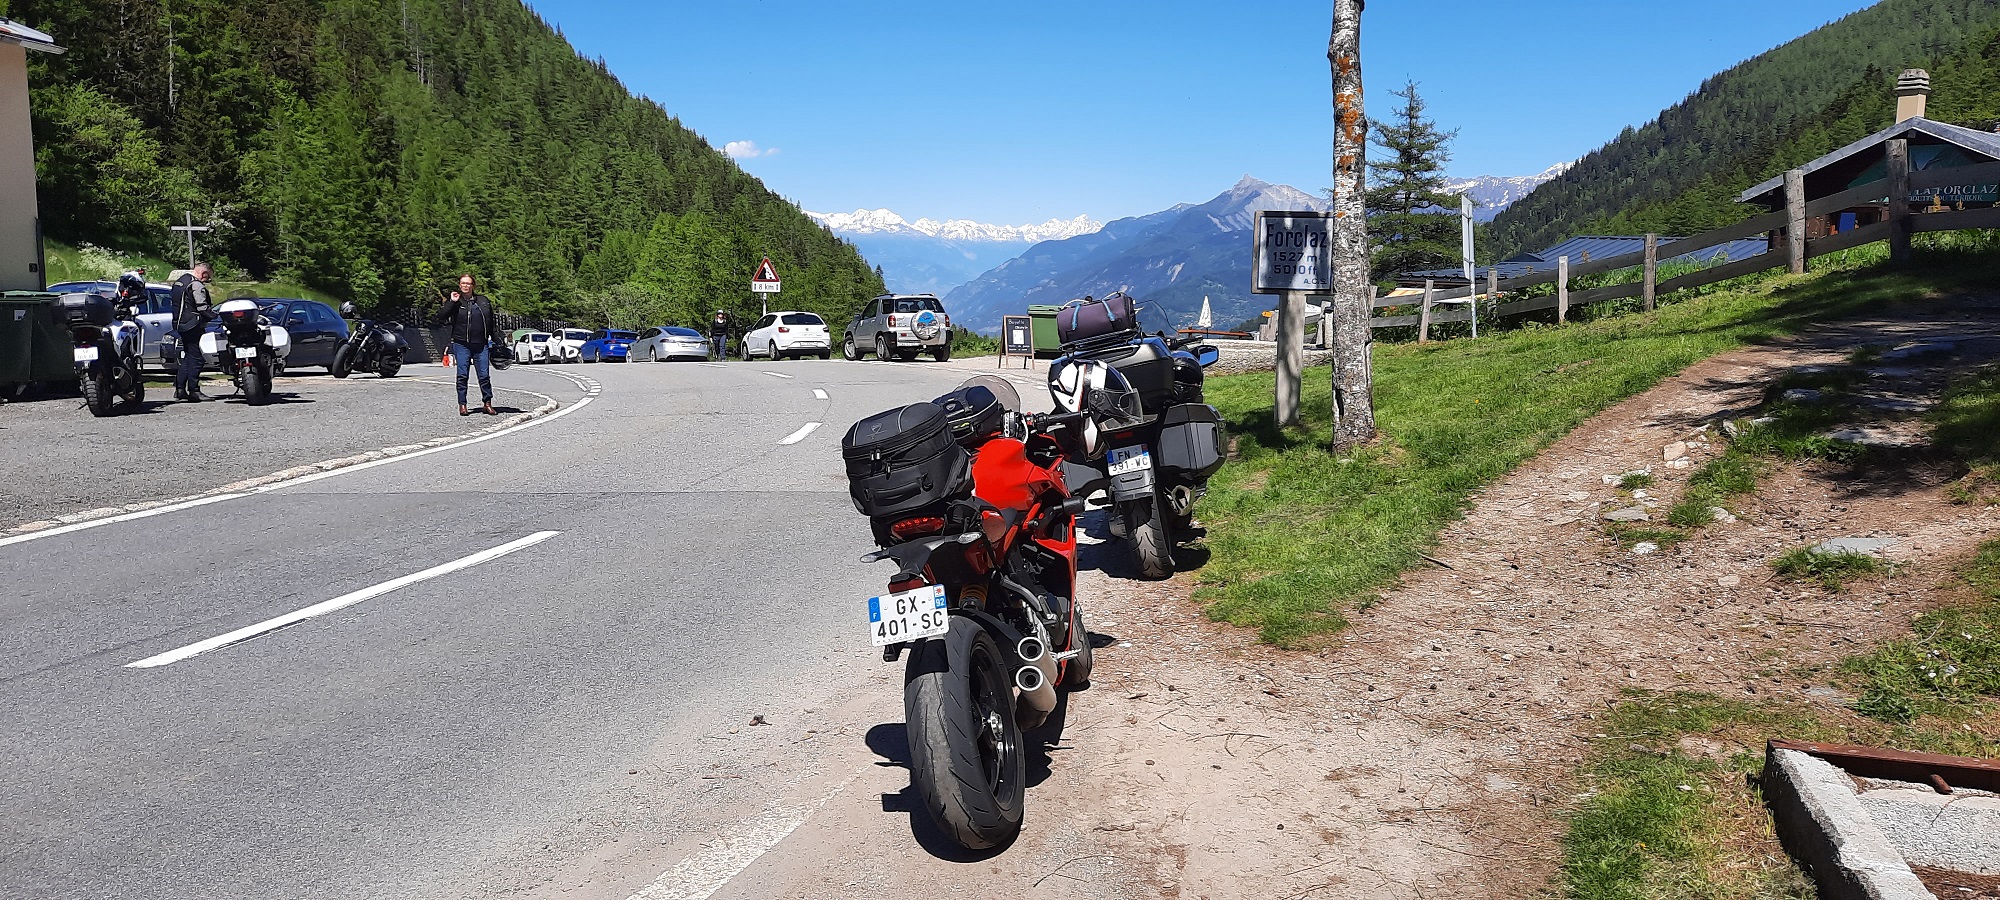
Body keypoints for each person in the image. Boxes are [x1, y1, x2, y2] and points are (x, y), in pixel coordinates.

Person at [439, 273, 497, 416]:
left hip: (481, 344)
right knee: (462, 375)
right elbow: (441, 317)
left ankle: (487, 403)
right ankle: (462, 404)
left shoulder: (483, 301)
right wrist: (451, 302)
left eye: (468, 283)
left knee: (484, 375)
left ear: (473, 285)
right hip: (461, 344)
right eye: (463, 283)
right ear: (459, 285)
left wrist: (497, 340)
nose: (465, 285)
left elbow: (491, 322)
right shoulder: (456, 301)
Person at [169, 262, 214, 402]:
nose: (207, 281)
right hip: (192, 324)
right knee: (197, 358)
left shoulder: (180, 282)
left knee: (188, 356)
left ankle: (180, 389)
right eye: (208, 278)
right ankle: (194, 390)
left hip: (180, 323)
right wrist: (215, 316)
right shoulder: (196, 285)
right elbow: (202, 307)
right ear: (204, 274)